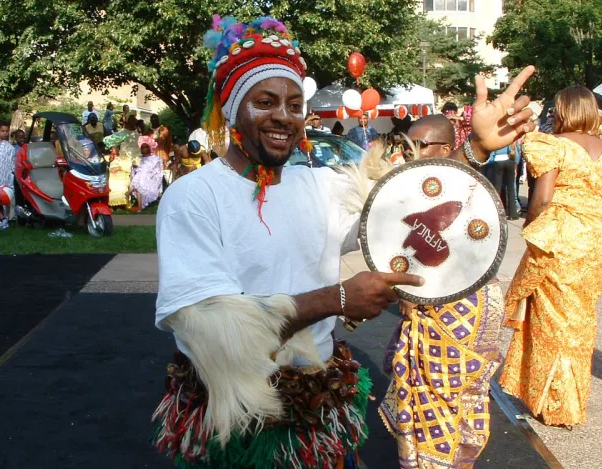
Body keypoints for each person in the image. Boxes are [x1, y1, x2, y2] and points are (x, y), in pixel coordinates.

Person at [151, 14, 537, 469]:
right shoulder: (193, 197)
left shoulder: (318, 186)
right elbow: (212, 331)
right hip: (235, 417)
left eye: (295, 105)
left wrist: (472, 149)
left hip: (318, 408)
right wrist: (337, 298)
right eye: (266, 101)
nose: (283, 116)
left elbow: (405, 209)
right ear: (233, 109)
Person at [499, 85, 602, 428]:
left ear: (562, 111)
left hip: (559, 239)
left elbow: (541, 200)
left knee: (552, 321)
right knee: (580, 320)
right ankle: (571, 400)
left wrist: (531, 230)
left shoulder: (554, 146)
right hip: (595, 241)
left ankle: (553, 403)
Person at [379, 114, 505, 469]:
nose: (409, 154)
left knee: (451, 396)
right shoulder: (415, 187)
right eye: (406, 146)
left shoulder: (468, 190)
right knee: (439, 398)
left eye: (420, 146)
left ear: (447, 149)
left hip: (461, 310)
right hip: (438, 307)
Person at [487, 144, 520, 219]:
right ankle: (513, 214)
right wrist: (515, 164)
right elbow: (516, 153)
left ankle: (497, 212)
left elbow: (492, 155)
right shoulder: (510, 139)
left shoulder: (497, 139)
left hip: (498, 161)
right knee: (511, 188)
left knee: (497, 188)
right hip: (510, 160)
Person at [129, 142, 163, 210]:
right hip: (140, 176)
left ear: (149, 148)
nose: (144, 149)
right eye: (142, 148)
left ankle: (141, 205)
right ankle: (140, 207)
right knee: (138, 181)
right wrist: (135, 167)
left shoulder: (156, 159)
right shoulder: (138, 159)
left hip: (151, 177)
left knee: (140, 182)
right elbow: (135, 170)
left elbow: (159, 171)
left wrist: (149, 173)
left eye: (146, 147)